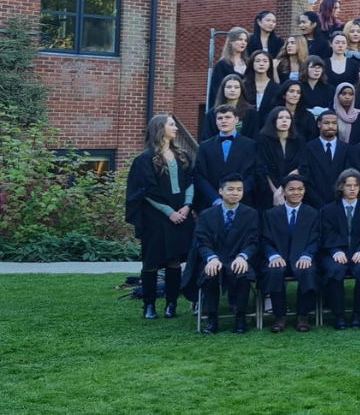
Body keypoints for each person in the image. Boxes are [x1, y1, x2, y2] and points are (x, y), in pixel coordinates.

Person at [125, 115, 196, 319]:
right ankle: (149, 306)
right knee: (152, 263)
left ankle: (171, 304)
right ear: (159, 128)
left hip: (181, 214)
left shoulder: (182, 156)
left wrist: (186, 206)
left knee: (174, 262)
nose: (175, 128)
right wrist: (169, 212)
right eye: (171, 124)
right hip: (155, 219)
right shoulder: (144, 159)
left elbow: (191, 180)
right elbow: (146, 190)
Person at [182, 174, 258, 335]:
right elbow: (201, 242)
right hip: (215, 259)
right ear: (220, 191)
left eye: (239, 189)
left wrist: (243, 256)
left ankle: (240, 318)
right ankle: (212, 319)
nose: (235, 193)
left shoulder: (251, 214)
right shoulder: (207, 215)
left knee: (243, 274)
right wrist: (211, 258)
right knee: (210, 274)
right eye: (230, 189)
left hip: (239, 258)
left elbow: (253, 241)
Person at [320, 169, 360, 330]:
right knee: (334, 271)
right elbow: (326, 234)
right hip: (335, 253)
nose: (352, 189)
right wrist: (335, 251)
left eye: (356, 185)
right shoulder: (328, 210)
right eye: (348, 185)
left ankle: (357, 314)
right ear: (341, 187)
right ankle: (339, 316)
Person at [259, 173, 319, 333]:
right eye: (291, 189)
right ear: (283, 192)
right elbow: (264, 240)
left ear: (304, 191)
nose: (296, 193)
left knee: (308, 270)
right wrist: (273, 255)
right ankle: (280, 316)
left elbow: (317, 239)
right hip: (279, 258)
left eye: (300, 189)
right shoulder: (271, 215)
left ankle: (303, 316)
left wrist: (307, 255)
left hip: (302, 257)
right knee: (274, 271)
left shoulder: (312, 214)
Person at [192, 105, 258, 211]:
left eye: (227, 117)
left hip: (242, 205)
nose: (224, 121)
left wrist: (236, 196)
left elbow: (252, 174)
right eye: (220, 118)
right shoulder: (205, 146)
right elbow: (199, 175)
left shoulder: (250, 145)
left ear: (236, 119)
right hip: (212, 205)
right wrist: (215, 199)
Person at [298, 111, 352, 209]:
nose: (331, 126)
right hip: (313, 205)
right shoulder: (308, 148)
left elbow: (348, 176)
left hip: (340, 204)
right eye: (327, 123)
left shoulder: (347, 149)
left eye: (334, 123)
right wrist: (318, 203)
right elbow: (305, 177)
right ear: (319, 124)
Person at [256, 107, 303, 211]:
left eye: (287, 117)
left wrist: (283, 189)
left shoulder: (298, 140)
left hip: (293, 189)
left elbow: (300, 166)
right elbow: (263, 169)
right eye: (280, 118)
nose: (284, 120)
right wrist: (276, 192)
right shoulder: (263, 140)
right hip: (268, 190)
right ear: (273, 120)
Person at [208, 27, 250, 110]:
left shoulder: (249, 63)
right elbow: (216, 89)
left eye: (245, 40)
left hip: (246, 106)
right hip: (227, 107)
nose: (243, 43)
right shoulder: (222, 64)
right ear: (231, 41)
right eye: (240, 39)